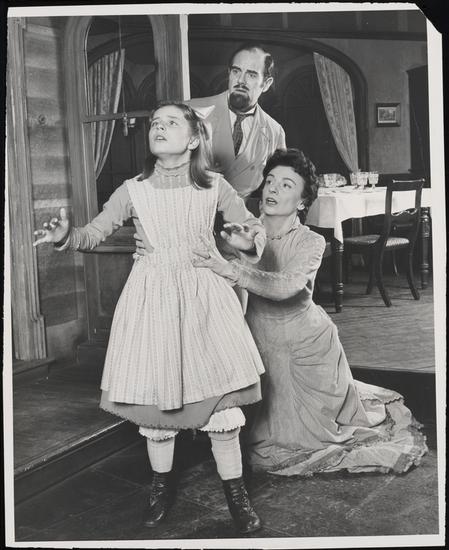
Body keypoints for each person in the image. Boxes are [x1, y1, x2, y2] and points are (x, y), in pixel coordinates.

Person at [33, 101, 267, 534]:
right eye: (155, 123)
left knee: (219, 404)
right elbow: (94, 233)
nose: (159, 127)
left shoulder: (215, 186)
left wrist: (245, 240)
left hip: (205, 300)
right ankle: (160, 487)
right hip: (152, 300)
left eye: (171, 122)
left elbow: (251, 229)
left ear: (193, 139)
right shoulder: (132, 189)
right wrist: (67, 237)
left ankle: (236, 493)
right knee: (158, 402)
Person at [192, 148, 428, 477]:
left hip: (307, 350)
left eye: (286, 185)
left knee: (296, 441)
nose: (273, 189)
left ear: (303, 202)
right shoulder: (241, 233)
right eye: (270, 180)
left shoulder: (312, 242)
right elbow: (200, 260)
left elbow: (286, 286)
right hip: (256, 345)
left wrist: (234, 269)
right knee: (235, 430)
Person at [189, 43, 286, 200]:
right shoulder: (191, 111)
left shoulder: (275, 132)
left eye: (251, 75)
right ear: (229, 73)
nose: (240, 80)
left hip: (240, 213)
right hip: (192, 209)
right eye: (236, 71)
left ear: (266, 84)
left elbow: (279, 185)